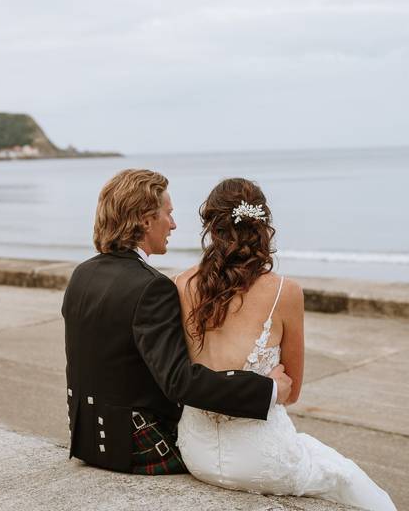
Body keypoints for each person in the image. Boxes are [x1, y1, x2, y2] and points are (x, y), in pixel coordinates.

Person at [174, 178, 396, 510]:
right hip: (261, 461)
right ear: (263, 227)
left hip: (196, 452)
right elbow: (291, 391)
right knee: (351, 481)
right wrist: (270, 385)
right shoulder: (285, 292)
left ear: (212, 226)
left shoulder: (180, 283)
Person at [61, 169, 292, 475]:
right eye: (167, 214)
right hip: (138, 446)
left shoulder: (82, 275)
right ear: (145, 220)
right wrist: (267, 390)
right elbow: (179, 382)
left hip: (87, 440)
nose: (173, 224)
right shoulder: (151, 287)